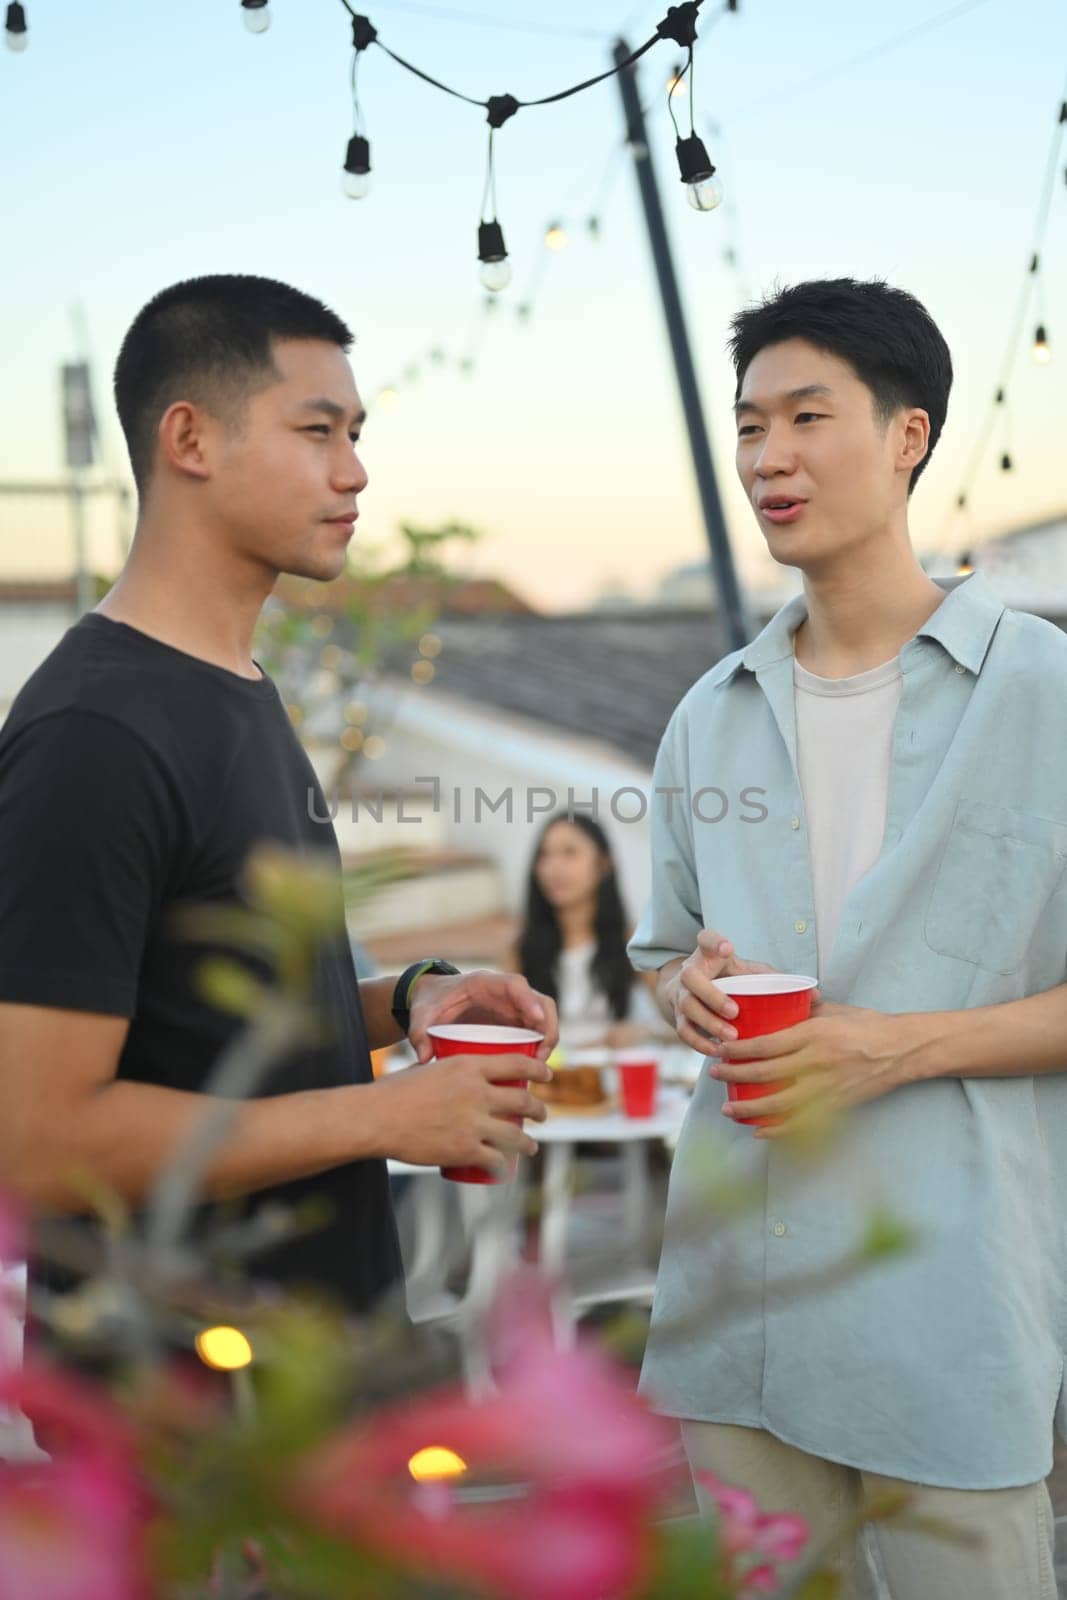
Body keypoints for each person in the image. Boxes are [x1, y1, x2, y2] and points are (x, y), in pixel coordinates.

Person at [0, 274, 556, 1332]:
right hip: (182, 1426)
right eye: (317, 430)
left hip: (317, 1374)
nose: (354, 472)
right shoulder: (95, 735)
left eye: (355, 433)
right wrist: (381, 1115)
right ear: (189, 439)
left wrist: (414, 1000)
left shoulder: (237, 689)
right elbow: (38, 1142)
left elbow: (214, 1032)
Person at [629, 277, 1066, 1599]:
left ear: (906, 435)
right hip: (737, 1313)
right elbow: (664, 951)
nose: (765, 456)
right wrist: (680, 998)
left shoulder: (1043, 696)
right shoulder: (707, 713)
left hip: (953, 1307)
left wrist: (897, 1049)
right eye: (747, 423)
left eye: (804, 416)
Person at [517, 812, 660, 1053]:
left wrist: (639, 1032)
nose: (554, 867)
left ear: (604, 864)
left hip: (614, 1080)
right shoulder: (522, 948)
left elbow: (676, 1023)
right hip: (550, 1079)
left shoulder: (632, 940)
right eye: (545, 855)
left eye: (569, 853)